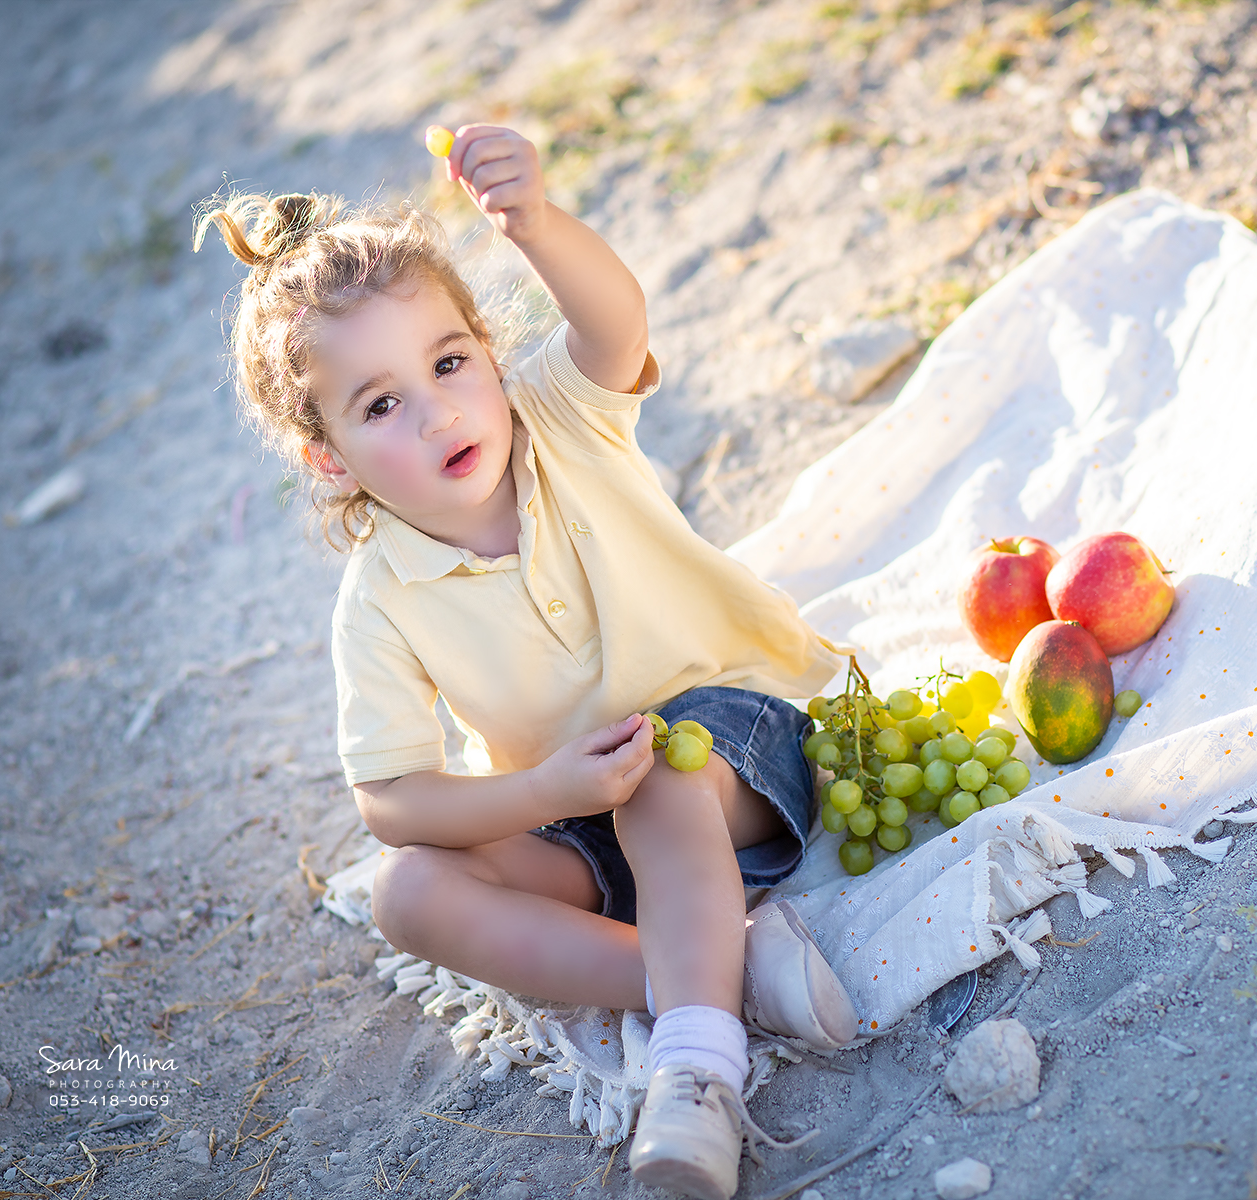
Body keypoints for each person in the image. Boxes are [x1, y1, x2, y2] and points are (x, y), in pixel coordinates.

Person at [195, 123, 857, 1200]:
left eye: (450, 362)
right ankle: (718, 976)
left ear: (491, 355)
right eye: (380, 405)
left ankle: (696, 1072)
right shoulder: (380, 597)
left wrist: (536, 225)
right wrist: (543, 790)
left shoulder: (561, 421)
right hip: (581, 812)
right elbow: (392, 798)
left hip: (732, 754)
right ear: (332, 461)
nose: (438, 408)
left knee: (662, 778)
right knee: (407, 894)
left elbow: (616, 324)